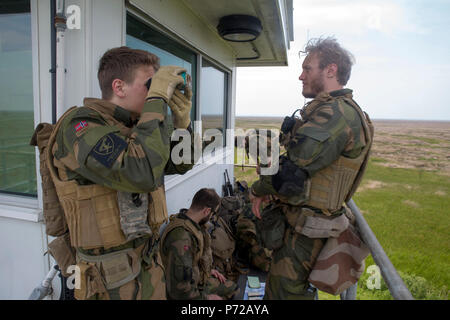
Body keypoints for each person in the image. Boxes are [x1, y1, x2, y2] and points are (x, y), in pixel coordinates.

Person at [45, 46, 195, 300]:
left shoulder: (136, 127)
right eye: (150, 85)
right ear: (119, 87)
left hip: (148, 269)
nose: (156, 94)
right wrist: (156, 102)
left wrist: (182, 126)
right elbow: (140, 171)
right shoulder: (80, 126)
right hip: (108, 284)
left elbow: (181, 164)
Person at [248, 37, 374, 299]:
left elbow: (290, 174)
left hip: (307, 233)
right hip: (304, 226)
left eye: (307, 69)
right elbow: (300, 160)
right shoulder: (333, 111)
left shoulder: (336, 114)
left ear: (331, 70)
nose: (300, 76)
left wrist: (258, 189)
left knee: (284, 294)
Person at [160, 188, 239, 300]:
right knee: (232, 293)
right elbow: (179, 290)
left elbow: (192, 262)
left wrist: (207, 270)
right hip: (185, 293)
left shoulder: (189, 222)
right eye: (212, 213)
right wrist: (207, 298)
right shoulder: (182, 239)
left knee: (234, 289)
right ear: (206, 211)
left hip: (196, 281)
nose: (211, 217)